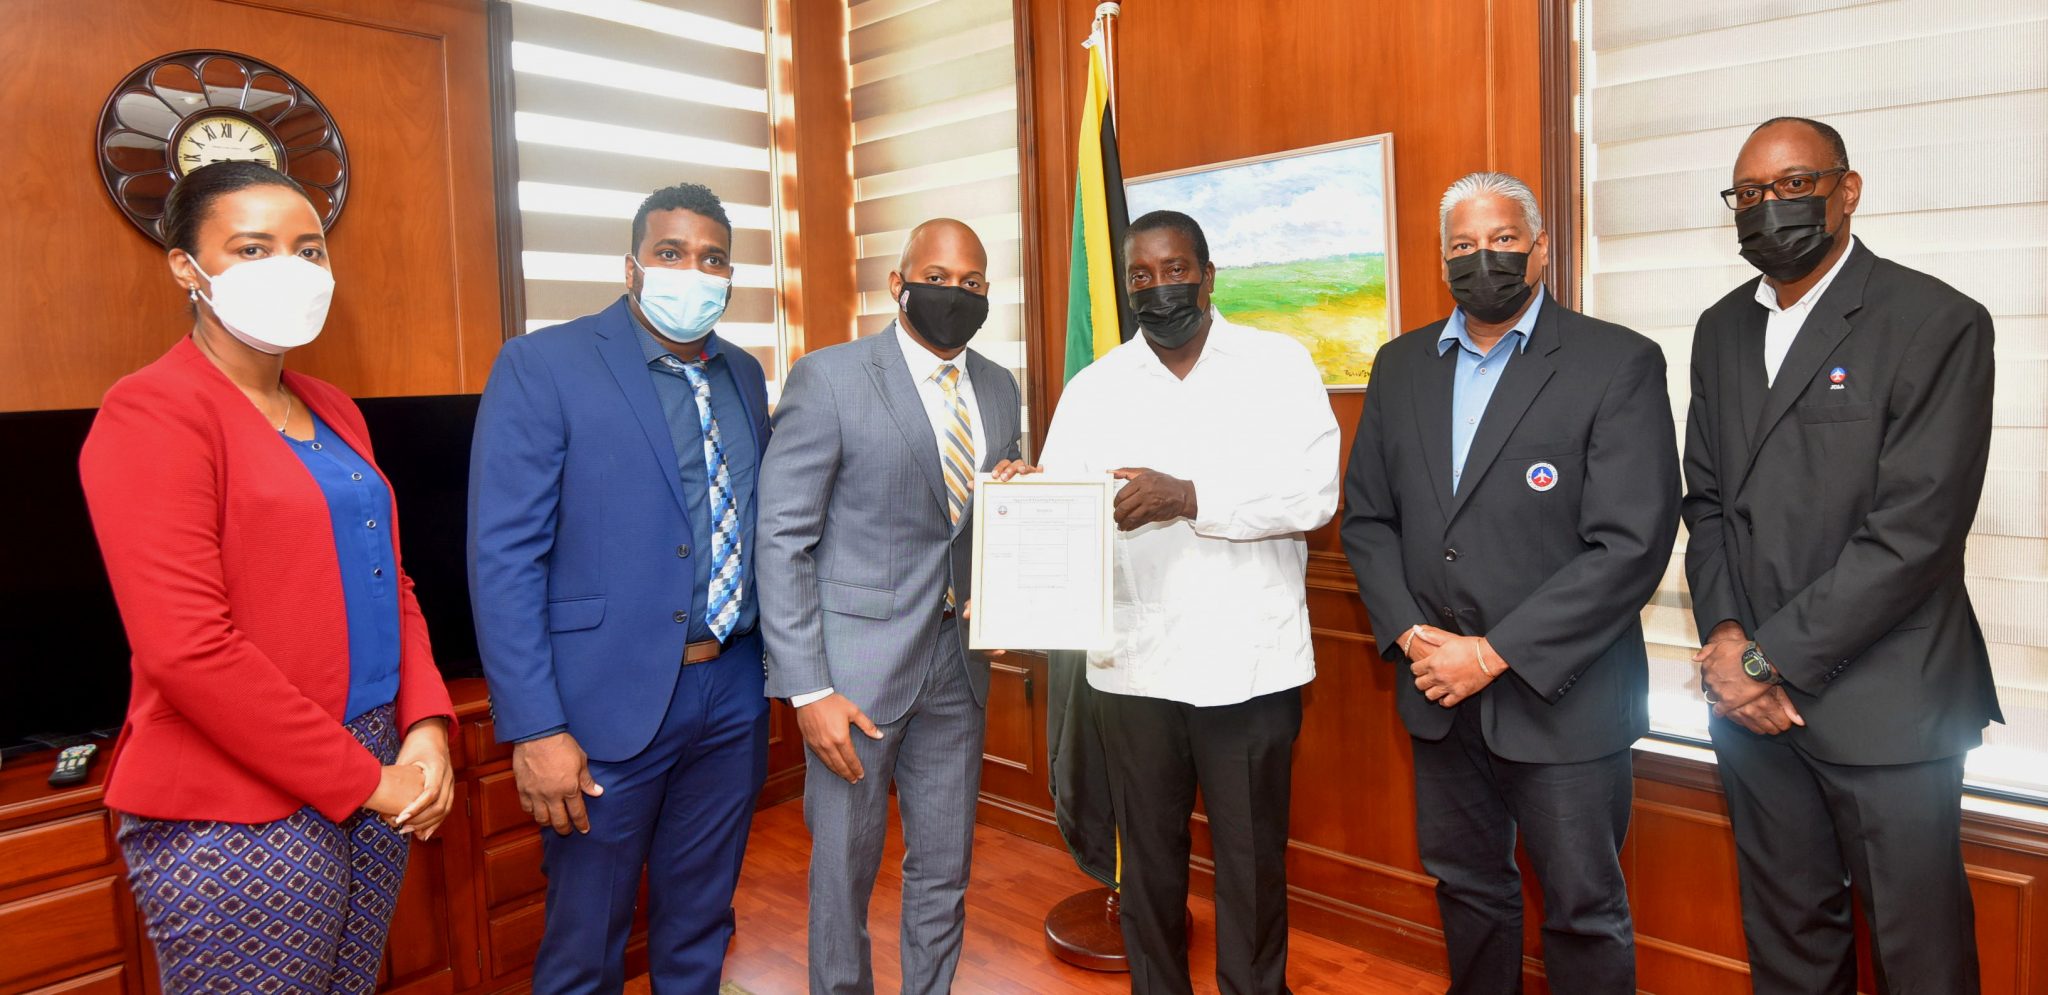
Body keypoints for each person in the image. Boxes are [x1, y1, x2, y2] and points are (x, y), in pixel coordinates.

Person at [78, 160, 456, 995]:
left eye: (308, 248)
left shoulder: (333, 407)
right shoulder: (152, 411)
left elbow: (390, 581)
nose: (289, 268)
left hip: (377, 760)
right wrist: (369, 779)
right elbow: (188, 648)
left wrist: (425, 725)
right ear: (187, 265)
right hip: (236, 796)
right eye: (252, 248)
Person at [1340, 172, 1679, 994]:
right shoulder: (1400, 364)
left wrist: (1491, 655)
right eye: (1461, 245)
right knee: (1468, 890)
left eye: (1499, 241)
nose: (1480, 258)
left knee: (1583, 909)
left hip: (1563, 698)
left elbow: (1631, 545)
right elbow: (1368, 521)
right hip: (1436, 693)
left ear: (1540, 250)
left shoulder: (1616, 361)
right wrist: (1418, 638)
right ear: (1441, 258)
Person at [1682, 117, 1999, 995]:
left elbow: (1915, 533)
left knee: (1919, 954)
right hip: (1753, 715)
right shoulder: (1720, 330)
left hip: (1888, 704)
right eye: (1747, 195)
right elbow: (1707, 504)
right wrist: (1728, 638)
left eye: (1791, 186)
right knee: (1788, 940)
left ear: (1846, 190)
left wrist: (1760, 659)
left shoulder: (1935, 320)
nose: (1767, 210)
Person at [468, 182, 773, 993]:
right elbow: (504, 557)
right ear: (632, 266)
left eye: (712, 258)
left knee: (701, 924)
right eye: (671, 253)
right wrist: (535, 726)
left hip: (732, 689)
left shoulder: (744, 373)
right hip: (603, 706)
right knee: (585, 944)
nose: (692, 271)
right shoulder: (544, 364)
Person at [1032, 209, 1340, 995]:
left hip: (1251, 666)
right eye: (1141, 275)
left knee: (1251, 865)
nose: (1159, 288)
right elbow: (1059, 507)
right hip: (1135, 669)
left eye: (1175, 270)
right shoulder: (1095, 386)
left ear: (1208, 275)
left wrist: (1190, 495)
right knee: (1149, 867)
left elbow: (1313, 495)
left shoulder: (1277, 365)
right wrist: (1020, 504)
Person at [757, 218, 1022, 995]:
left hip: (958, 669)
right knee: (842, 876)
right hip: (853, 682)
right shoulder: (831, 377)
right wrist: (807, 689)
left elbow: (976, 522)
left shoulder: (1000, 385)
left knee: (944, 869)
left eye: (973, 282)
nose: (957, 292)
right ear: (898, 284)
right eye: (938, 275)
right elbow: (783, 540)